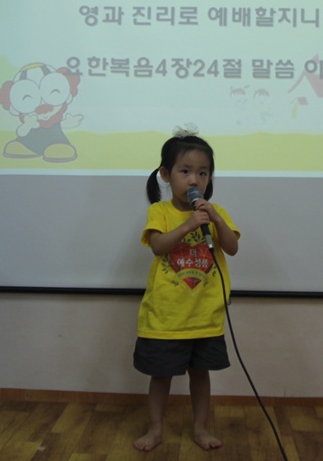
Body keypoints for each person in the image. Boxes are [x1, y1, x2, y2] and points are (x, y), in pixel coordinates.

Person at [132, 127, 240, 452]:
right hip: (166, 317)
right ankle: (155, 429)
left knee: (201, 374)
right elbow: (158, 246)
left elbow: (232, 247)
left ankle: (200, 429)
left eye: (203, 173)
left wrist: (215, 220)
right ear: (166, 174)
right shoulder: (160, 212)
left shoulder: (216, 213)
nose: (195, 179)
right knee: (161, 376)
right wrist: (189, 224)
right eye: (185, 171)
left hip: (204, 317)